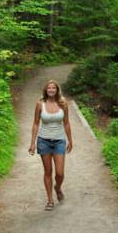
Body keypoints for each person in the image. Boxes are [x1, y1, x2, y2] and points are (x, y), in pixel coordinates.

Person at [28, 79, 73, 210]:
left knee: (60, 173)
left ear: (57, 90)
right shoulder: (40, 104)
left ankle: (57, 187)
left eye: (53, 88)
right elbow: (36, 123)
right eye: (49, 88)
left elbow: (66, 123)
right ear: (46, 90)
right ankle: (50, 200)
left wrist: (70, 140)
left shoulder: (63, 103)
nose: (51, 90)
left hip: (59, 140)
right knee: (48, 172)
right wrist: (32, 143)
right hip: (44, 141)